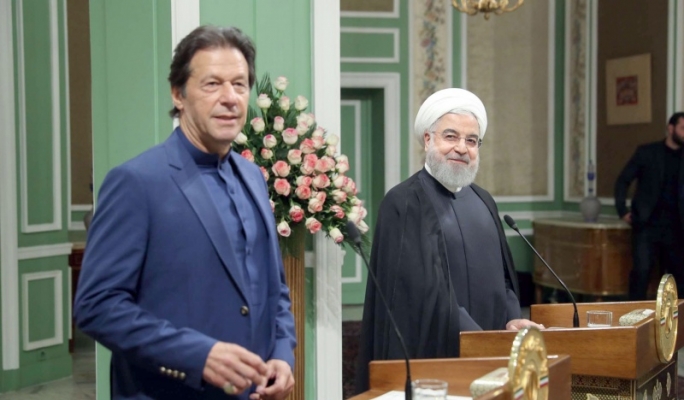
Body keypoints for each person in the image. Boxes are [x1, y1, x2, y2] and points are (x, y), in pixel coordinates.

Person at [74, 26, 296, 400]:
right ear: (178, 94)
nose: (230, 98)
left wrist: (282, 354)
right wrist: (198, 356)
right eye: (212, 84)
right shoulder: (136, 182)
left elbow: (276, 291)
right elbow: (97, 306)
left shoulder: (253, 176)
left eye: (239, 85)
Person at [355, 88, 542, 394]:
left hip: (493, 354)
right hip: (435, 359)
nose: (461, 148)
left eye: (472, 140)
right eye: (451, 136)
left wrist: (512, 320)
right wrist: (477, 339)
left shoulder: (484, 201)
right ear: (428, 140)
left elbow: (505, 279)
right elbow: (419, 293)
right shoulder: (404, 202)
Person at [614, 112, 684, 300]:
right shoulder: (647, 152)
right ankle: (634, 315)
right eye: (682, 128)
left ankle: (678, 317)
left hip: (677, 228)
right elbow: (623, 180)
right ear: (670, 128)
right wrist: (622, 210)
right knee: (641, 273)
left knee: (678, 279)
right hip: (647, 225)